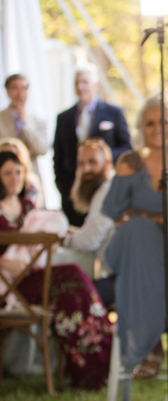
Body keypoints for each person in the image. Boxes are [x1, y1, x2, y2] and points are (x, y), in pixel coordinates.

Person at [101, 97, 168, 379]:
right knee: (139, 231)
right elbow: (114, 212)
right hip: (124, 250)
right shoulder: (129, 162)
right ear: (140, 128)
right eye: (150, 123)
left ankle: (153, 349)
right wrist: (157, 222)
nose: (158, 128)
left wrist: (148, 218)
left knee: (143, 233)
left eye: (164, 121)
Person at [0, 146, 111, 388]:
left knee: (72, 294)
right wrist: (5, 262)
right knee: (72, 276)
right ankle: (91, 363)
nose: (15, 178)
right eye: (8, 173)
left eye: (19, 172)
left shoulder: (28, 206)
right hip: (10, 284)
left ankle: (94, 363)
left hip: (34, 275)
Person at [54, 67, 131, 225]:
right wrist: (63, 187)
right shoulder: (63, 118)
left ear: (96, 84)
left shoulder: (113, 113)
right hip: (73, 194)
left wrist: (102, 157)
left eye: (85, 82)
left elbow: (126, 148)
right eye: (76, 83)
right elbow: (58, 156)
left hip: (104, 187)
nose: (80, 87)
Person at [62, 136, 116, 304]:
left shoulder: (107, 191)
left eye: (92, 162)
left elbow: (89, 241)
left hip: (125, 281)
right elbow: (94, 232)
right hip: (117, 276)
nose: (86, 169)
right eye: (81, 164)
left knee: (69, 295)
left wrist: (62, 239)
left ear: (107, 163)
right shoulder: (105, 189)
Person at [0, 73, 49, 160]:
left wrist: (25, 125)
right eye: (15, 88)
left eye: (24, 88)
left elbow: (43, 150)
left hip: (31, 171)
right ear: (8, 91)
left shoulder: (38, 120)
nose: (20, 94)